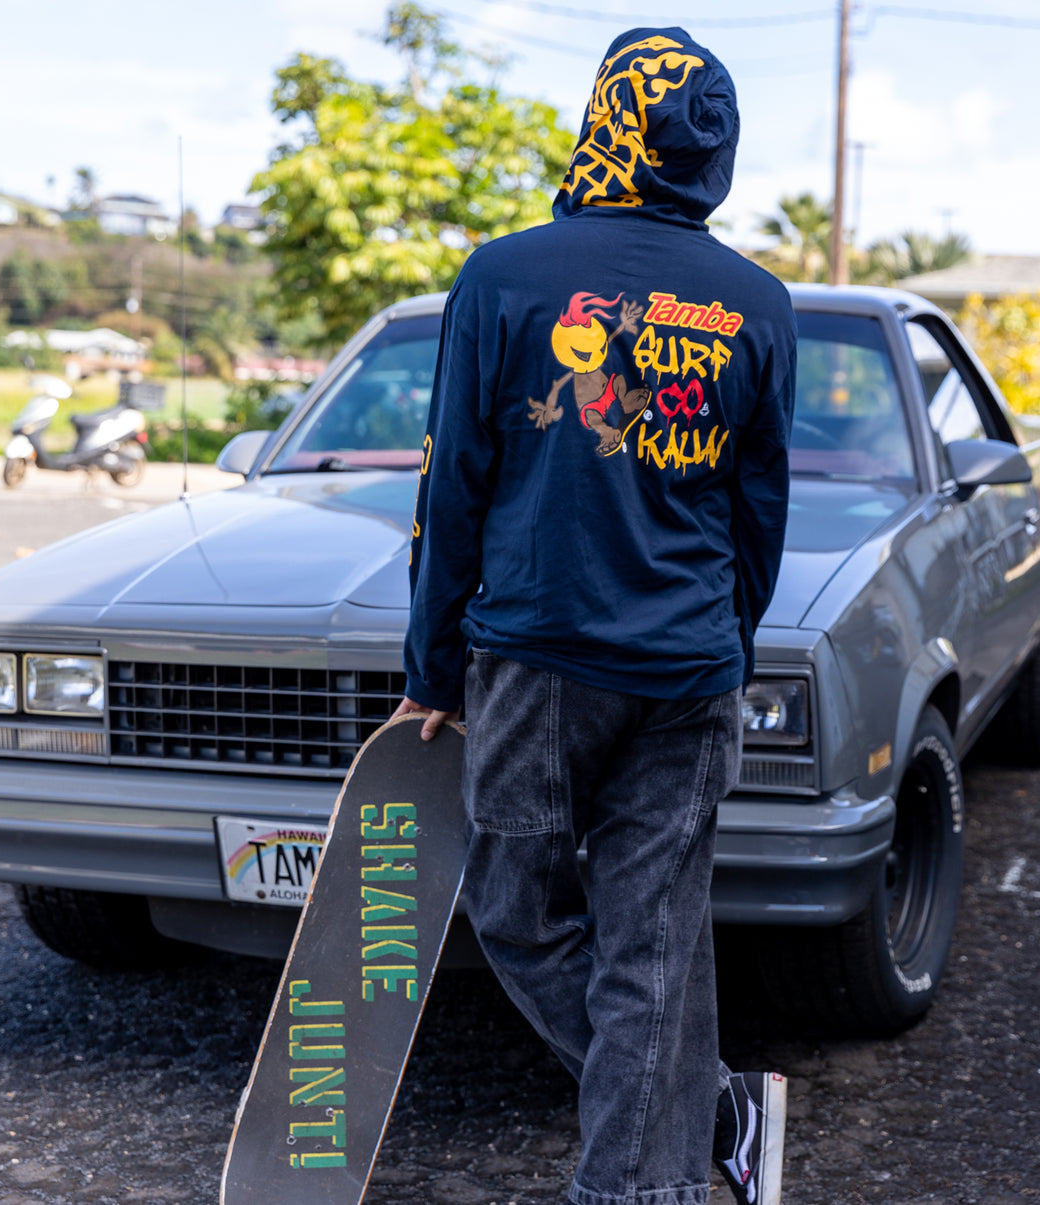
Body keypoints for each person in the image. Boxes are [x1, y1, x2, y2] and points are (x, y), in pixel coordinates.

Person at [394, 25, 796, 1205]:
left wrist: (432, 667)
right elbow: (760, 514)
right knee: (649, 946)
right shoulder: (756, 303)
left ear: (608, 116)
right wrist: (723, 638)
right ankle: (711, 1108)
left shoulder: (504, 275)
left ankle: (637, 1186)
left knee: (522, 914)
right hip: (687, 667)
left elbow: (452, 484)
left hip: (537, 665)